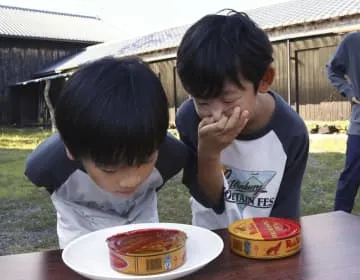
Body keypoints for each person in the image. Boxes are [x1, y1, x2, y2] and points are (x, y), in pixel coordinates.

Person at [25, 57, 188, 248]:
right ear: (71, 151)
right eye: (110, 169)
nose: (131, 180)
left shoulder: (173, 155)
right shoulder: (46, 165)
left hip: (140, 219)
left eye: (145, 160)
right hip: (80, 225)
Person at [175, 10, 309, 229]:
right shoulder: (189, 119)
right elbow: (209, 200)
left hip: (265, 242)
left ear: (264, 79)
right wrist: (208, 152)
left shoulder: (291, 132)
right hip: (213, 238)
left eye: (227, 98)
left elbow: (285, 217)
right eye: (202, 101)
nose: (215, 114)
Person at [326, 31, 360, 213]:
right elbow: (332, 69)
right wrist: (348, 90)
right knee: (350, 180)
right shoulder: (353, 41)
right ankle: (339, 222)